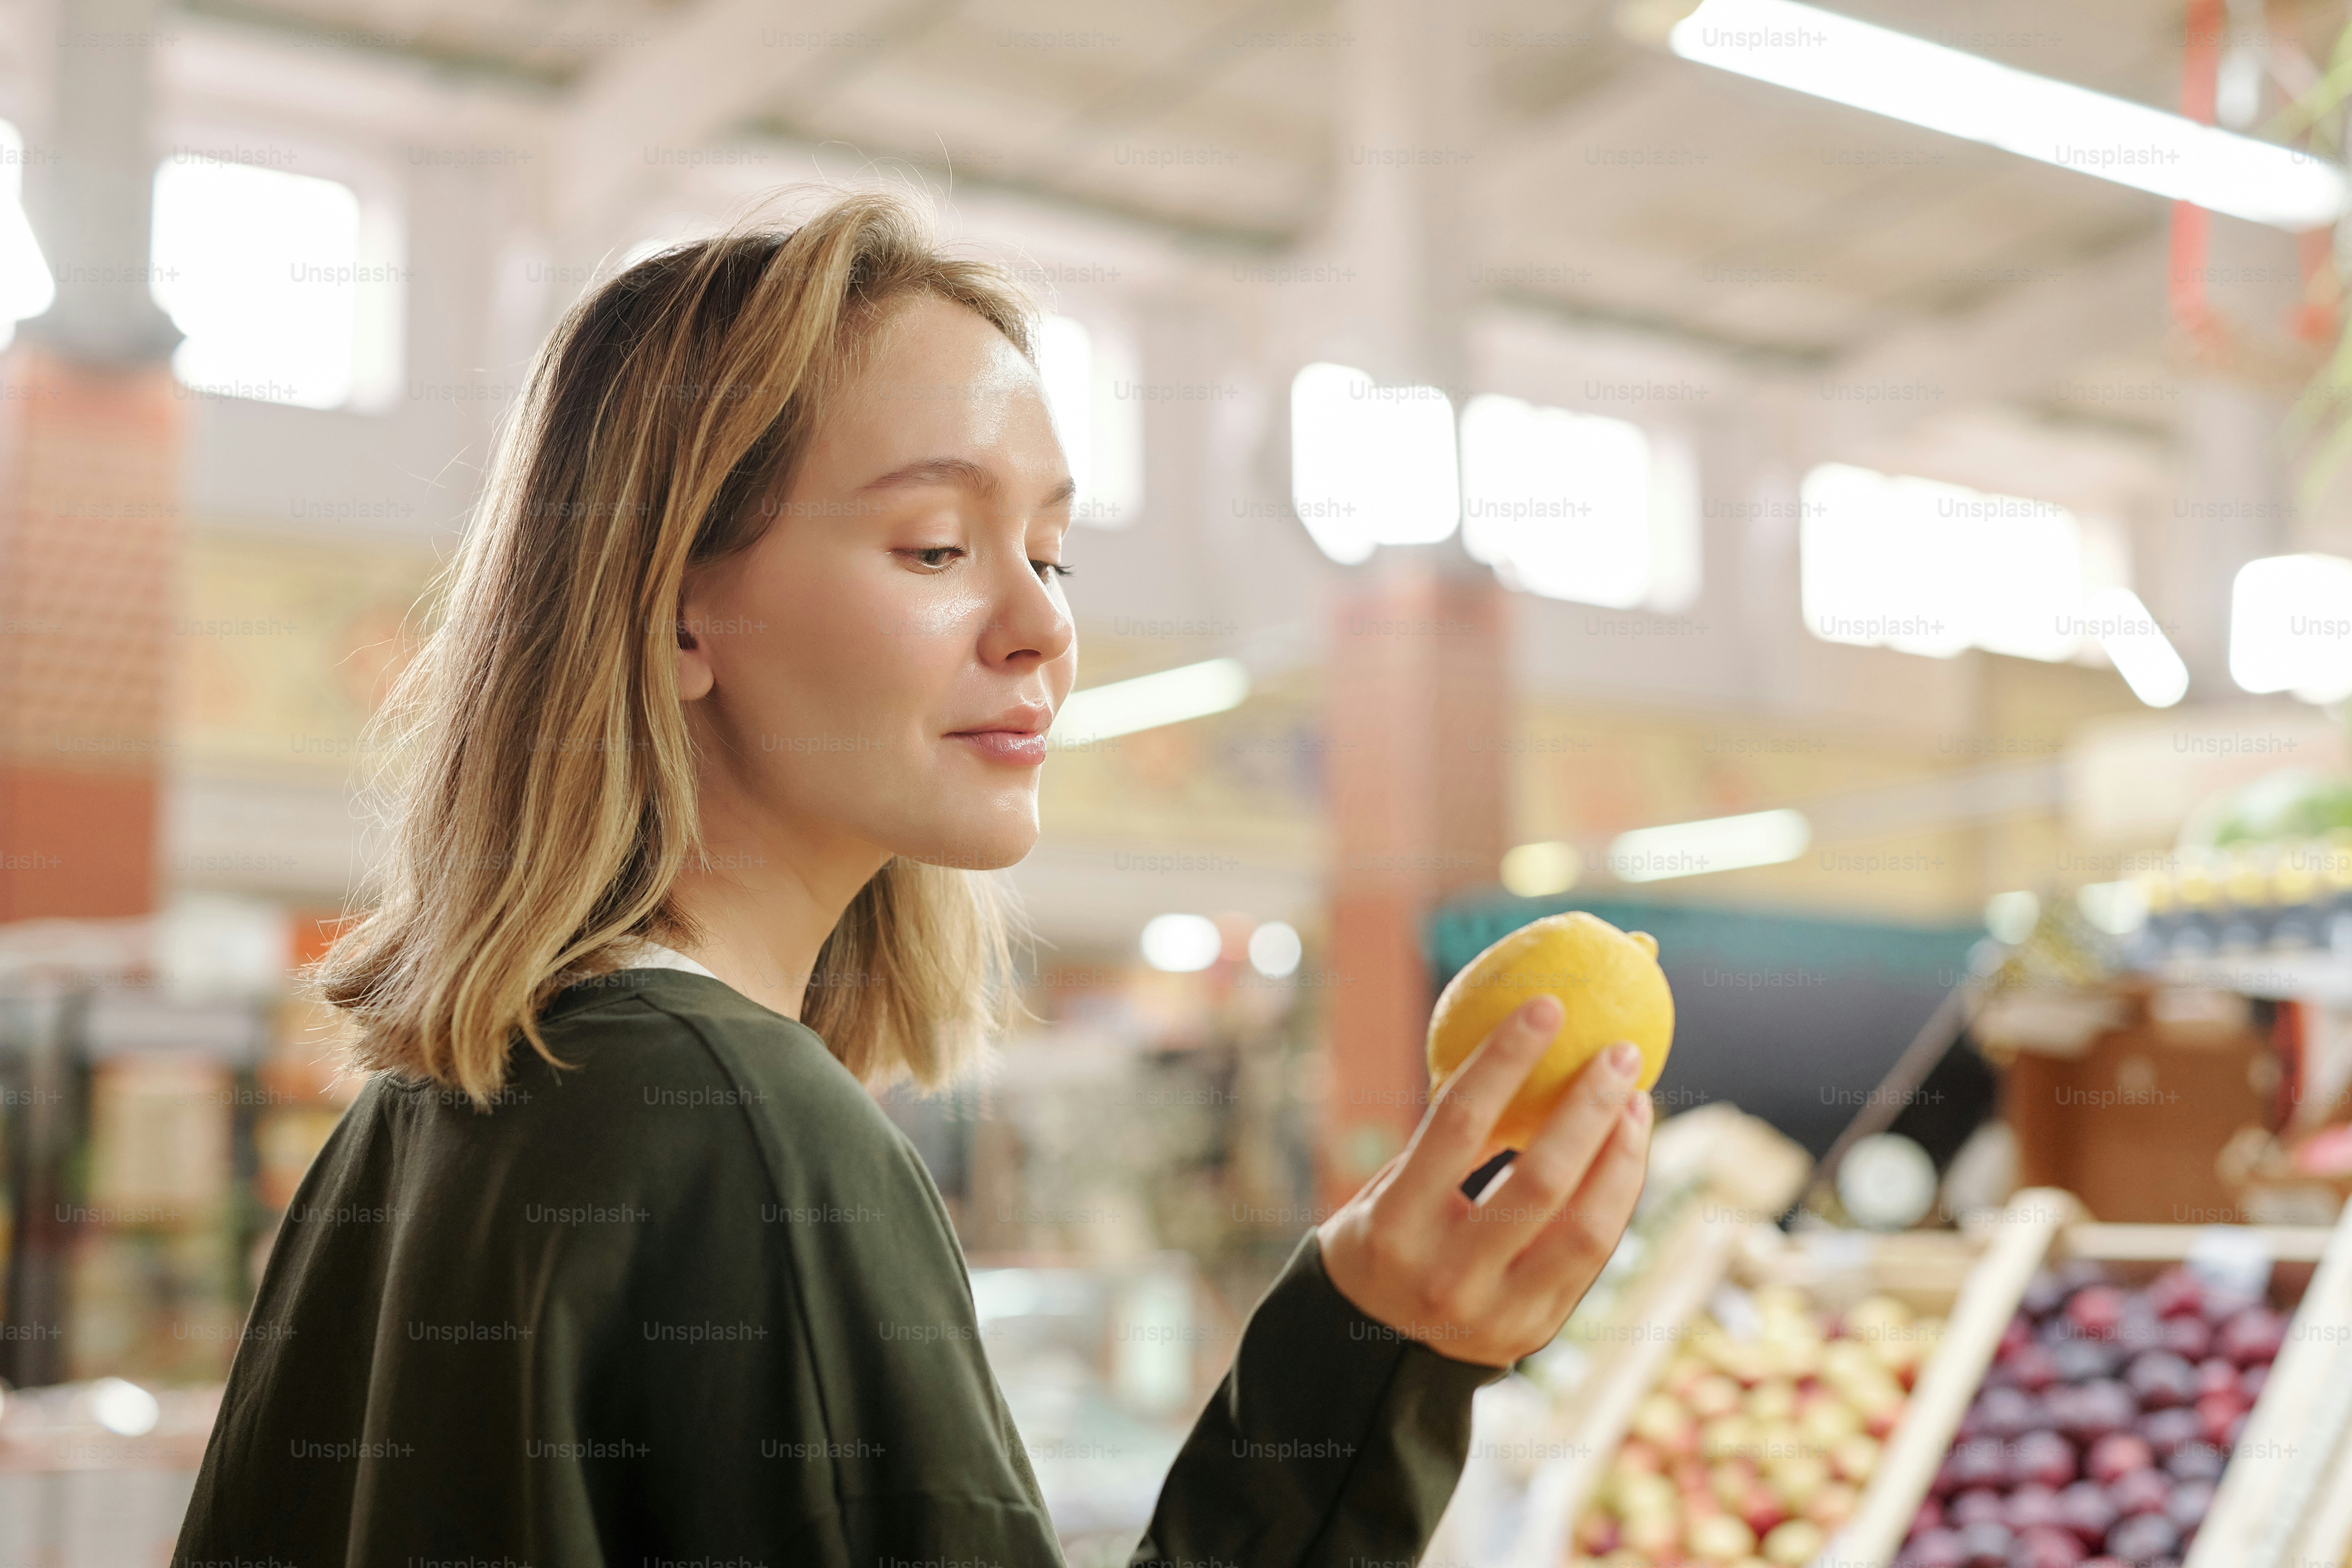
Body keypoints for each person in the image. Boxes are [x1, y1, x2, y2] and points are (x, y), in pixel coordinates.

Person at [172, 188, 1654, 1566]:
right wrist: (1373, 1368)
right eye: (937, 545)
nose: (1040, 628)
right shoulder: (748, 1136)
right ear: (679, 617)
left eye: (1053, 555)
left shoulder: (422, 1117)